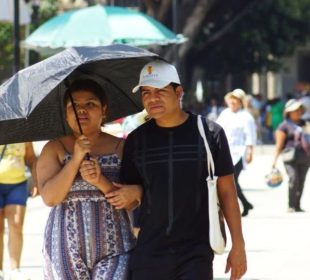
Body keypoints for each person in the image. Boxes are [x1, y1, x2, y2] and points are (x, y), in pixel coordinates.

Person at [107, 60, 247, 280]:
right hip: (149, 252)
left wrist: (238, 246)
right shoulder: (136, 140)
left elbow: (228, 192)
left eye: (160, 91)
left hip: (196, 252)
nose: (152, 98)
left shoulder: (209, 133)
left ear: (178, 91)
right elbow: (131, 198)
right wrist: (133, 193)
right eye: (146, 92)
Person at [36, 79, 141, 280]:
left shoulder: (123, 148)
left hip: (115, 247)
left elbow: (133, 201)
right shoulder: (54, 148)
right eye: (74, 106)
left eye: (90, 104)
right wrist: (75, 159)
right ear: (66, 114)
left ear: (104, 109)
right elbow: (50, 198)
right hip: (64, 248)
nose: (82, 110)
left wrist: (99, 180)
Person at [0, 142, 37, 280]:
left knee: (16, 225)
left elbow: (31, 158)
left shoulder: (22, 131)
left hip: (18, 183)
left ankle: (15, 269)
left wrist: (36, 180)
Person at [217, 89, 257, 217]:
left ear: (241, 102)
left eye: (236, 99)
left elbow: (250, 135)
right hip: (224, 151)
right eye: (231, 99)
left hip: (239, 152)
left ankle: (243, 204)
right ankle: (246, 204)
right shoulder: (224, 114)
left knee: (232, 180)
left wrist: (250, 151)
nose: (233, 102)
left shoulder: (246, 116)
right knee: (227, 181)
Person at [272, 99, 310, 212]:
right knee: (294, 179)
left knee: (302, 181)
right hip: (290, 157)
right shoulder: (283, 126)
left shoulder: (306, 123)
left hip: (305, 157)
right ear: (289, 112)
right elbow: (279, 144)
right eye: (295, 110)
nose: (298, 112)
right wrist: (274, 161)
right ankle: (291, 205)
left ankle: (297, 205)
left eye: (299, 110)